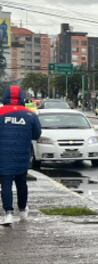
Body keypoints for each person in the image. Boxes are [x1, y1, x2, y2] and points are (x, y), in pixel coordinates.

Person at [0, 86, 41, 225]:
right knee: (21, 183)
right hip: (22, 156)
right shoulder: (30, 114)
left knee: (6, 184)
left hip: (3, 156)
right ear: (22, 98)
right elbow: (37, 134)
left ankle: (8, 213)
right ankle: (23, 211)